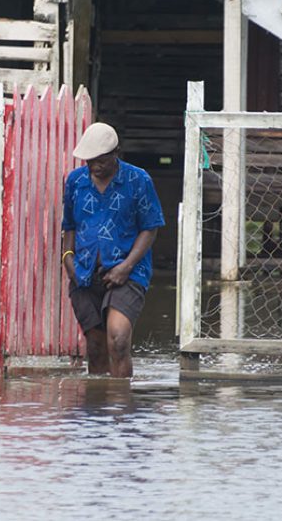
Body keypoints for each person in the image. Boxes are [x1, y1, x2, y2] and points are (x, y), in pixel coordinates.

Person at [62, 122, 165, 377]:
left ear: (116, 153)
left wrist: (126, 267)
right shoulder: (75, 182)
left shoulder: (138, 180)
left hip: (127, 272)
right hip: (84, 274)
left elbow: (150, 228)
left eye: (101, 160)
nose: (95, 166)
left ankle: (120, 406)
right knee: (96, 347)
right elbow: (70, 226)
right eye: (90, 161)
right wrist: (68, 261)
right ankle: (98, 409)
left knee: (117, 340)